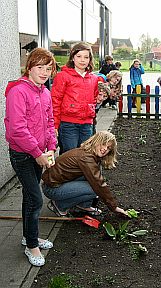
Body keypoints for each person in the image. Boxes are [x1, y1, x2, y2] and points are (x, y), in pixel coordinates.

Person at [4, 48, 58, 267]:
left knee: (30, 196)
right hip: (22, 154)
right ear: (29, 67)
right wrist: (37, 153)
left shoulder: (44, 91)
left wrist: (52, 147)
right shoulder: (18, 91)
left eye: (48, 68)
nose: (44, 72)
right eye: (39, 67)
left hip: (40, 153)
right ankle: (31, 246)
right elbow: (17, 129)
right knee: (36, 198)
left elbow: (50, 121)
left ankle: (29, 236)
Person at [42, 131, 129, 217]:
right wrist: (114, 207)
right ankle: (60, 205)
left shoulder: (89, 153)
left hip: (58, 182)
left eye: (109, 148)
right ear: (96, 141)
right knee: (94, 189)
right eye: (103, 144)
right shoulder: (86, 158)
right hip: (52, 189)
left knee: (93, 182)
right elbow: (99, 184)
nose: (105, 149)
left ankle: (83, 206)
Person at [51, 42, 99, 154]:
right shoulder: (62, 76)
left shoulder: (93, 78)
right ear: (72, 57)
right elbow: (55, 101)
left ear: (90, 59)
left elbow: (94, 99)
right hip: (68, 124)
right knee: (70, 155)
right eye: (79, 56)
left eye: (86, 57)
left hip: (87, 124)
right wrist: (55, 125)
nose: (82, 60)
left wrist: (91, 117)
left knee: (85, 155)